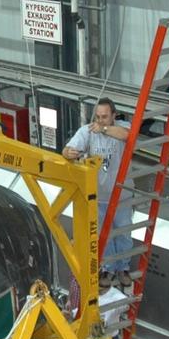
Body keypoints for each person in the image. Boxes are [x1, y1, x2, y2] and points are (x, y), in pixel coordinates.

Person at [63, 98, 134, 290]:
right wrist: (69, 153)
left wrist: (103, 129)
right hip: (99, 196)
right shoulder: (87, 131)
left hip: (122, 195)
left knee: (124, 233)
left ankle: (123, 267)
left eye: (105, 117)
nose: (100, 120)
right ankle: (109, 268)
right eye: (98, 117)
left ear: (113, 116)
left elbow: (127, 135)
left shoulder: (122, 127)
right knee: (104, 235)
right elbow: (67, 149)